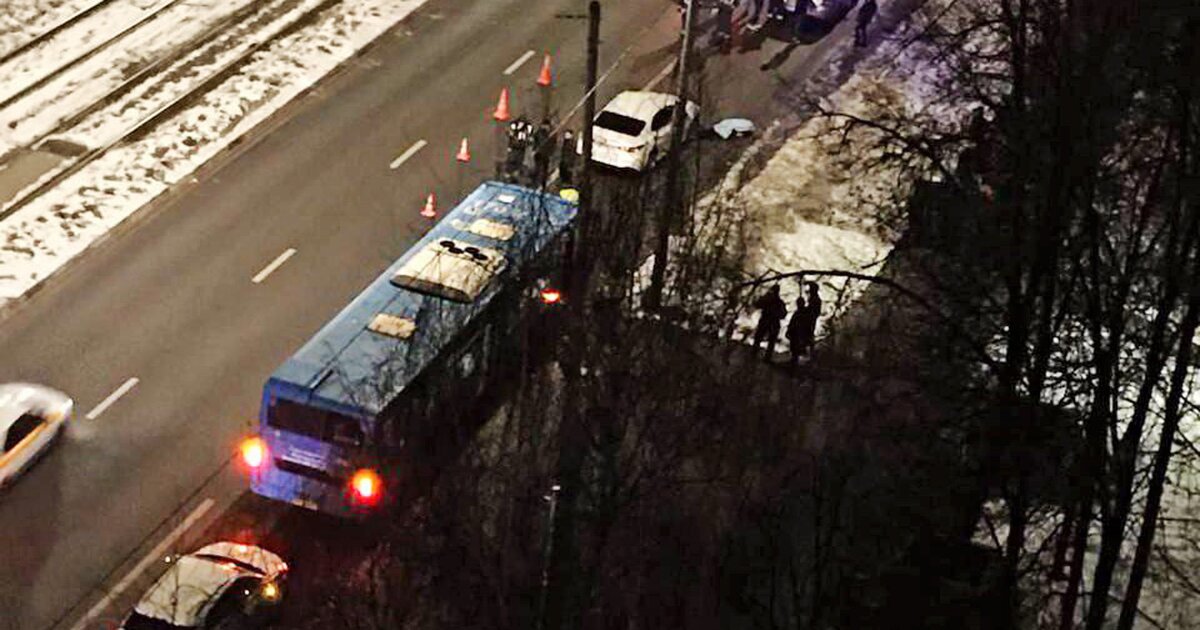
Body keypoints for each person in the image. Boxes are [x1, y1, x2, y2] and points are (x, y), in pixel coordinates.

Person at [752, 285, 787, 361]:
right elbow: (783, 315)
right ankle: (765, 357)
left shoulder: (769, 300)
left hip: (767, 321)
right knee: (769, 340)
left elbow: (757, 304)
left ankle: (755, 353)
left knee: (760, 338)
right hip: (772, 322)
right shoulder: (779, 302)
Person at [786, 294, 808, 365]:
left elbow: (794, 323)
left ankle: (794, 362)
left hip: (797, 333)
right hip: (795, 333)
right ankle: (794, 361)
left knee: (796, 348)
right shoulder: (800, 313)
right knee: (794, 348)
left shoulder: (801, 313)